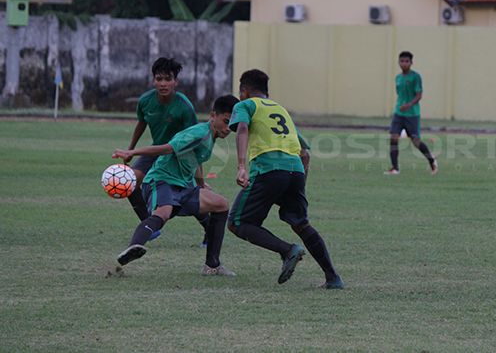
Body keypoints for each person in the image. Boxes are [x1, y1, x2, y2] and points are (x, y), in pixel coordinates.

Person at [228, 69, 344, 289]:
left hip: (269, 169)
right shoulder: (281, 110)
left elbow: (242, 128)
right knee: (300, 223)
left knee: (237, 222)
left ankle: (287, 250)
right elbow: (305, 152)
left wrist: (241, 166)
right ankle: (333, 277)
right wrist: (298, 184)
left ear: (243, 91)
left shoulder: (244, 105)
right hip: (296, 170)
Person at [113, 95, 240, 276]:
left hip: (183, 186)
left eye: (232, 124)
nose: (229, 128)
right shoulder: (198, 133)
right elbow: (166, 148)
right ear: (213, 116)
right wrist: (131, 151)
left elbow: (195, 160)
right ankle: (134, 246)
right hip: (161, 180)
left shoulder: (209, 137)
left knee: (221, 204)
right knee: (163, 212)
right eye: (226, 121)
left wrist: (201, 184)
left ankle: (212, 266)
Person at [123, 57, 208, 244]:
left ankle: (209, 229)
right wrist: (131, 150)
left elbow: (195, 140)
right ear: (153, 80)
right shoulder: (145, 101)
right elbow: (141, 124)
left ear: (175, 81)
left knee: (189, 194)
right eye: (159, 79)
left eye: (167, 79)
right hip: (155, 151)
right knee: (129, 182)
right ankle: (149, 225)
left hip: (179, 156)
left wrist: (199, 174)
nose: (163, 83)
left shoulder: (184, 106)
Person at [384, 51, 437, 175]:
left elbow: (419, 95)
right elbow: (399, 93)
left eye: (407, 61)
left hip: (412, 114)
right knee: (393, 138)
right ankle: (395, 168)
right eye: (402, 61)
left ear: (411, 63)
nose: (404, 63)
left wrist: (409, 105)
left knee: (416, 142)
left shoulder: (415, 77)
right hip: (398, 113)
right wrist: (401, 106)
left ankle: (432, 160)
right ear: (398, 62)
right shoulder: (398, 78)